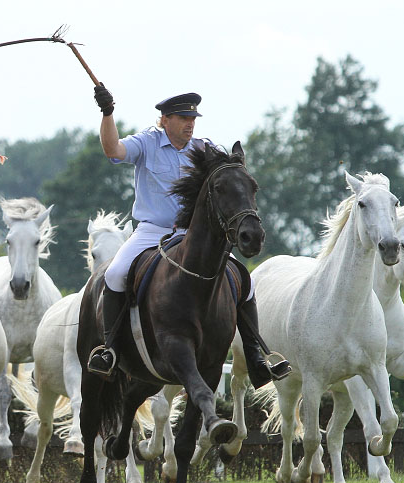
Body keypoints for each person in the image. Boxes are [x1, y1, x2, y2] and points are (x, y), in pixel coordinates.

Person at [87, 85, 290, 387]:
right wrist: (107, 113)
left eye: (193, 118)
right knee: (115, 273)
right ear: (165, 119)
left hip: (193, 236)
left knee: (243, 281)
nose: (190, 123)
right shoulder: (146, 143)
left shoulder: (203, 149)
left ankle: (256, 358)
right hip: (152, 231)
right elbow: (112, 149)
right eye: (183, 117)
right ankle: (110, 351)